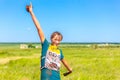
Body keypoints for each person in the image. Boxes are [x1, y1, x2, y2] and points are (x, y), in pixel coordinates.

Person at [26, 3, 72, 80]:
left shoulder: (59, 51)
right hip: (46, 76)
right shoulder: (46, 45)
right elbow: (39, 28)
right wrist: (31, 12)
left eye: (59, 40)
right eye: (55, 39)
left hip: (57, 76)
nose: (57, 42)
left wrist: (70, 70)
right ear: (51, 39)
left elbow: (64, 62)